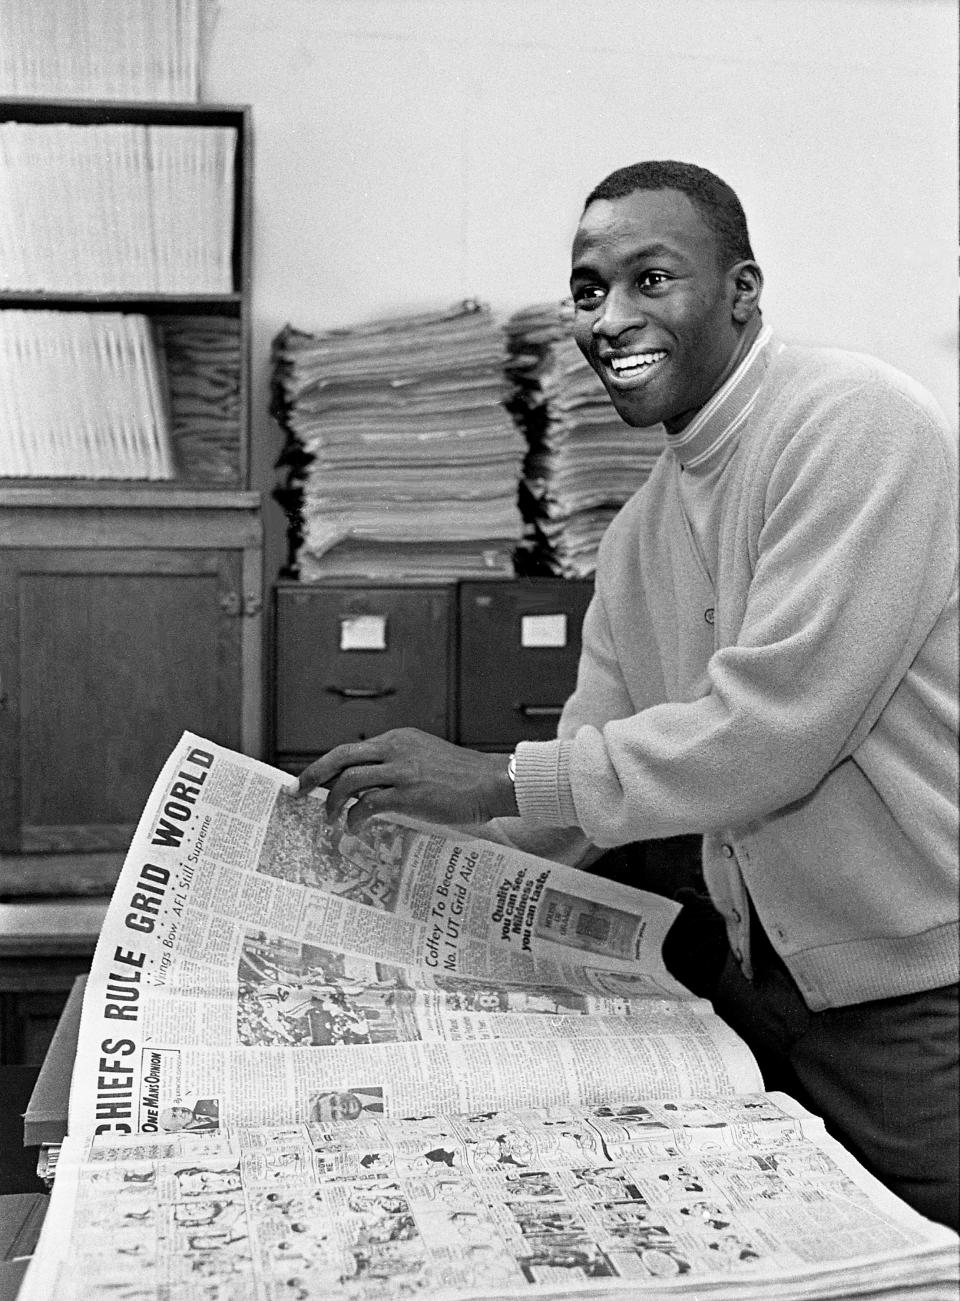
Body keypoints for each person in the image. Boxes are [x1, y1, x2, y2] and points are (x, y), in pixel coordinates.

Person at [297, 161, 959, 1229]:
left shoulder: (855, 423)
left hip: (911, 1002)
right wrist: (386, 862)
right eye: (591, 289)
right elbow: (570, 796)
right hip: (756, 988)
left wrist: (487, 773)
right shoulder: (644, 526)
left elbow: (773, 730)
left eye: (653, 279)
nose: (613, 318)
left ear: (743, 288)